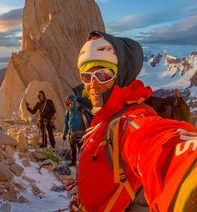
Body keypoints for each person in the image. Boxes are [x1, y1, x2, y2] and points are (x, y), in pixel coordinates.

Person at [74, 31, 196, 211]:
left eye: (104, 74)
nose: (93, 84)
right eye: (87, 76)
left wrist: (187, 175)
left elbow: (153, 140)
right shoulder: (103, 115)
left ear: (121, 76)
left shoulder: (128, 118)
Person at [62, 95, 84, 166]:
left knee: (81, 150)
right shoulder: (68, 112)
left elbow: (86, 123)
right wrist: (64, 134)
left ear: (74, 101)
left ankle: (82, 163)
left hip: (81, 136)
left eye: (70, 101)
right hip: (72, 135)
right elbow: (66, 124)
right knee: (73, 149)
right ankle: (73, 161)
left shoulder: (81, 110)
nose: (69, 103)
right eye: (67, 102)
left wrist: (84, 132)